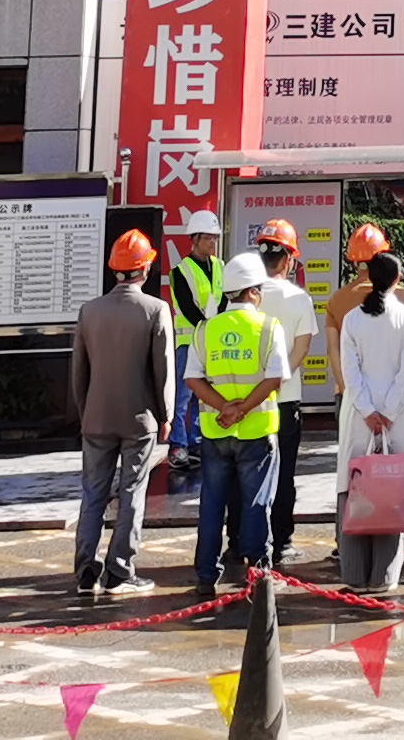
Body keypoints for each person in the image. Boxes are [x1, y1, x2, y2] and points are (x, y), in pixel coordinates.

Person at [69, 226, 174, 597]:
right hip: (139, 418)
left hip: (96, 416)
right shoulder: (155, 310)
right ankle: (120, 571)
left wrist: (86, 411)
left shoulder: (89, 311)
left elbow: (79, 372)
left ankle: (85, 570)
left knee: (93, 494)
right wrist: (166, 415)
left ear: (114, 269)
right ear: (145, 268)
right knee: (132, 493)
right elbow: (163, 370)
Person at [190, 251, 291, 594]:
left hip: (215, 431)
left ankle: (206, 576)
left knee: (212, 505)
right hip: (256, 432)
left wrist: (224, 408)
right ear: (252, 291)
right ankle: (258, 573)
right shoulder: (268, 327)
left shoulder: (206, 329)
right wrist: (244, 409)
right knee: (256, 502)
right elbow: (275, 378)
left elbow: (193, 378)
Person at [336, 251, 404, 593]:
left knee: (354, 483)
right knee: (393, 484)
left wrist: (366, 410)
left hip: (358, 414)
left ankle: (355, 574)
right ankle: (385, 575)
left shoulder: (352, 320)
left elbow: (350, 371)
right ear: (398, 280)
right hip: (397, 414)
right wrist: (387, 412)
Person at [249, 221, 321, 566]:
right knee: (284, 473)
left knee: (248, 472)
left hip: (247, 400)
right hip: (286, 398)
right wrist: (280, 377)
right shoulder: (299, 298)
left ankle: (245, 542)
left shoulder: (246, 294)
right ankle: (281, 543)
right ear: (290, 259)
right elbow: (302, 347)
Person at [164, 207, 224, 472]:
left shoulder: (220, 266)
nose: (212, 242)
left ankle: (197, 442)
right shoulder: (180, 271)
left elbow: (225, 299)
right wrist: (209, 325)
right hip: (189, 343)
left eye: (215, 237)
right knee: (183, 396)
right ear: (195, 239)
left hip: (212, 341)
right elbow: (188, 308)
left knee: (206, 395)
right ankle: (178, 445)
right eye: (208, 237)